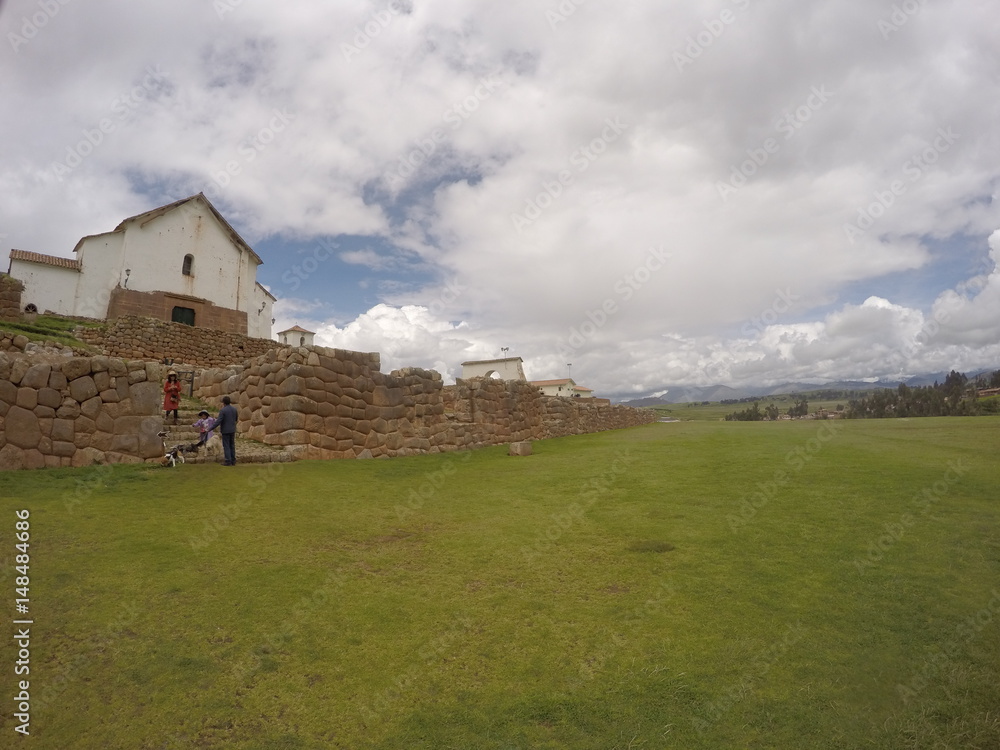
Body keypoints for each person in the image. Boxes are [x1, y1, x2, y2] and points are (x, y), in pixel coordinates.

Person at [214, 395, 239, 466]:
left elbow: (219, 421)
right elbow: (236, 419)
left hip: (225, 430)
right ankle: (233, 460)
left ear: (223, 403)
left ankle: (228, 460)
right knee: (232, 445)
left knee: (226, 445)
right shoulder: (234, 409)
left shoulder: (223, 410)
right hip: (232, 429)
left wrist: (211, 428)